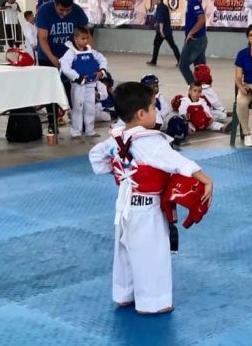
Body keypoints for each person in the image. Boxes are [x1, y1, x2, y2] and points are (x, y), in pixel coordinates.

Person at [89, 81, 213, 314]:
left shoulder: (116, 138)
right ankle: (153, 302)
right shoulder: (150, 141)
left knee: (124, 251)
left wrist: (123, 173)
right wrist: (206, 179)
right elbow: (177, 163)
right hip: (148, 208)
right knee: (152, 255)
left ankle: (124, 293)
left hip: (124, 206)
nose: (156, 112)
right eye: (154, 108)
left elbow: (96, 158)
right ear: (141, 113)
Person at [36, 0, 90, 133]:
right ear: (55, 4)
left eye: (68, 10)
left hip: (71, 57)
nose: (64, 13)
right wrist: (52, 57)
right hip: (47, 57)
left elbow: (85, 35)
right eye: (61, 10)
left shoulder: (77, 11)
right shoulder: (44, 11)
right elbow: (42, 38)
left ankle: (78, 122)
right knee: (51, 90)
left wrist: (90, 54)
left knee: (75, 89)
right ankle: (53, 123)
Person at [60, 26, 108, 139]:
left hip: (91, 85)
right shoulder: (71, 52)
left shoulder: (91, 51)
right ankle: (76, 131)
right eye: (83, 38)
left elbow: (102, 59)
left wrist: (102, 71)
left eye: (87, 38)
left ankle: (90, 130)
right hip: (78, 86)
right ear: (75, 39)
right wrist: (78, 77)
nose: (85, 41)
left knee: (90, 108)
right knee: (77, 109)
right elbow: (65, 68)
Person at [178, 0, 207, 85]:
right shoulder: (191, 3)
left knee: (183, 65)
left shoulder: (194, 3)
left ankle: (194, 88)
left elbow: (202, 19)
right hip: (200, 39)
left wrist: (190, 33)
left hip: (195, 40)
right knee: (201, 69)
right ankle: (203, 92)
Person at [147, 0, 181, 67]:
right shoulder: (164, 7)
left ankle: (154, 61)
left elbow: (161, 20)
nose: (154, 0)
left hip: (163, 31)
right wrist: (157, 24)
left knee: (158, 45)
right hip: (167, 30)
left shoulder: (160, 7)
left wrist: (161, 31)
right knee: (171, 45)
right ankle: (180, 60)